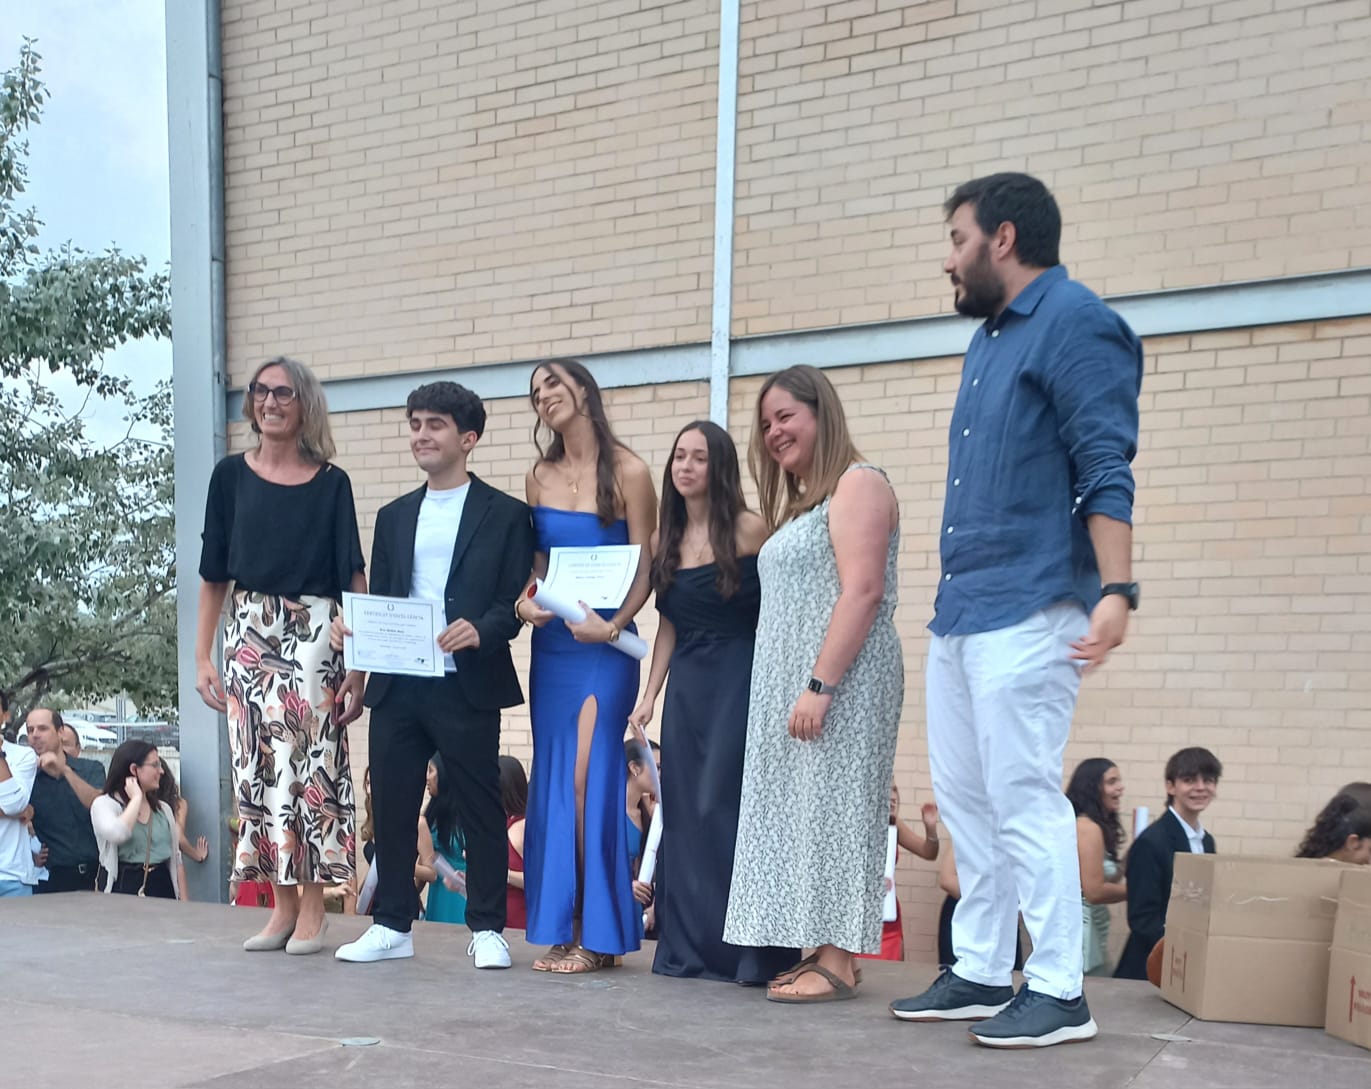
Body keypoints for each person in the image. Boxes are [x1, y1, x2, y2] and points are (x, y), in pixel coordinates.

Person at [891, 173, 1143, 1047]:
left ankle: (1060, 988)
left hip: (1034, 602)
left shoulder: (1077, 322)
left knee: (1022, 792)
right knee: (966, 797)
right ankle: (979, 967)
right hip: (963, 607)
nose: (948, 260)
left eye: (957, 239)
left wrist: (1116, 590)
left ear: (1002, 238)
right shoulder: (987, 341)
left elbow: (1103, 462)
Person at [332, 381, 533, 969]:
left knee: (479, 805)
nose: (421, 434)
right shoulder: (393, 516)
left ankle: (487, 928)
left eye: (435, 425)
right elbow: (384, 600)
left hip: (466, 680)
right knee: (393, 804)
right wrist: (357, 656)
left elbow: (513, 603)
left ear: (468, 438)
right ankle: (392, 924)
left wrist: (482, 629)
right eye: (415, 424)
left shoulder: (506, 514)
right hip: (399, 680)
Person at [723, 364, 903, 1004]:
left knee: (838, 810)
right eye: (765, 423)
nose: (773, 432)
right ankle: (826, 950)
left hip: (842, 683)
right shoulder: (813, 503)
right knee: (810, 812)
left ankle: (839, 959)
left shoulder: (859, 483)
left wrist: (820, 686)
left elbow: (863, 591)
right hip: (809, 685)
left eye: (786, 416)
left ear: (821, 414)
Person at [195, 355, 366, 954]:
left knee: (310, 767)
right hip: (247, 631)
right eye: (261, 391)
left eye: (283, 393)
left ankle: (315, 908)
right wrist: (202, 656)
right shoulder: (228, 478)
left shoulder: (332, 483)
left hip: (315, 633)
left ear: (304, 404)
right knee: (258, 768)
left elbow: (353, 575)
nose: (270, 401)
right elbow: (213, 573)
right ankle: (281, 906)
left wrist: (359, 664)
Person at [628, 420, 799, 983]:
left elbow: (782, 613)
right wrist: (649, 696)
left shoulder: (751, 529)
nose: (686, 466)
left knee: (722, 808)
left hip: (741, 677)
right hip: (688, 687)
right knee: (684, 812)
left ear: (718, 465)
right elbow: (669, 623)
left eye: (699, 457)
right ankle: (690, 948)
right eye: (679, 455)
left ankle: (747, 952)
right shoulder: (663, 538)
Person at [517, 359, 656, 974]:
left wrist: (615, 624)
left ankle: (598, 933)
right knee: (554, 781)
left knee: (586, 779)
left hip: (606, 645)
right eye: (535, 392)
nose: (544, 396)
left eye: (553, 383)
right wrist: (525, 603)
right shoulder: (537, 475)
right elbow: (539, 567)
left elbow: (647, 567)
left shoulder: (631, 472)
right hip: (554, 648)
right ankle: (567, 929)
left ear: (583, 389)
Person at [1114, 747, 1221, 980]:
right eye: (1189, 780)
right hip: (1152, 970)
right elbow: (1143, 919)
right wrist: (1184, 951)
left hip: (1188, 966)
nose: (1200, 787)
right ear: (1170, 786)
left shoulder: (1207, 841)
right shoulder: (1151, 842)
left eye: (1208, 780)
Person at [90, 740, 187, 900]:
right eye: (155, 765)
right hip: (124, 885)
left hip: (162, 885)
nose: (161, 771)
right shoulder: (104, 804)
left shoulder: (163, 809)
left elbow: (176, 859)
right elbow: (117, 833)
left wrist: (184, 902)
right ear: (134, 769)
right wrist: (136, 798)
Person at [858, 785, 941, 963]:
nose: (893, 797)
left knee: (889, 972)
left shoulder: (894, 824)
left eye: (895, 791)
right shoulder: (853, 824)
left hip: (886, 917)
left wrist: (931, 829)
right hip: (858, 918)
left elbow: (928, 852)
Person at [25, 708, 104, 892]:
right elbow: (14, 820)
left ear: (60, 732)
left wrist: (64, 770)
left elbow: (98, 804)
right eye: (30, 730)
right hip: (52, 879)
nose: (35, 735)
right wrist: (28, 855)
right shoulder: (28, 777)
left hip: (95, 875)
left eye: (42, 728)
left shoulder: (90, 768)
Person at [1067, 758, 1128, 977]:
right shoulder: (1087, 828)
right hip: (1084, 932)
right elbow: (1094, 891)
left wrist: (1130, 858)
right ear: (1092, 787)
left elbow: (1107, 879)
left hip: (1094, 929)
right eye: (1112, 782)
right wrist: (1143, 892)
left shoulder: (1093, 826)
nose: (1120, 788)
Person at [422, 755, 469, 925]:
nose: (426, 777)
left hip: (462, 895)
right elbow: (424, 860)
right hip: (439, 895)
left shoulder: (468, 812)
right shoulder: (432, 812)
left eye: (431, 770)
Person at [0, 716, 39, 896]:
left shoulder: (23, 755)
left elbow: (14, 805)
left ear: (5, 715)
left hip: (13, 874)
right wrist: (18, 810)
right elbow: (17, 808)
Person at [1295, 790, 1371, 864]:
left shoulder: (1302, 865)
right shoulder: (1332, 870)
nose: (1369, 860)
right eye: (1370, 850)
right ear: (1352, 842)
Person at [157, 759, 210, 866]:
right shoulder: (178, 804)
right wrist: (197, 855)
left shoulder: (139, 801)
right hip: (166, 865)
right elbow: (178, 837)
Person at [500, 755, 528, 930]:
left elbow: (540, 881)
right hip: (498, 921)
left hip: (520, 923)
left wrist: (502, 873)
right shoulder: (500, 824)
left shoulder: (522, 827)